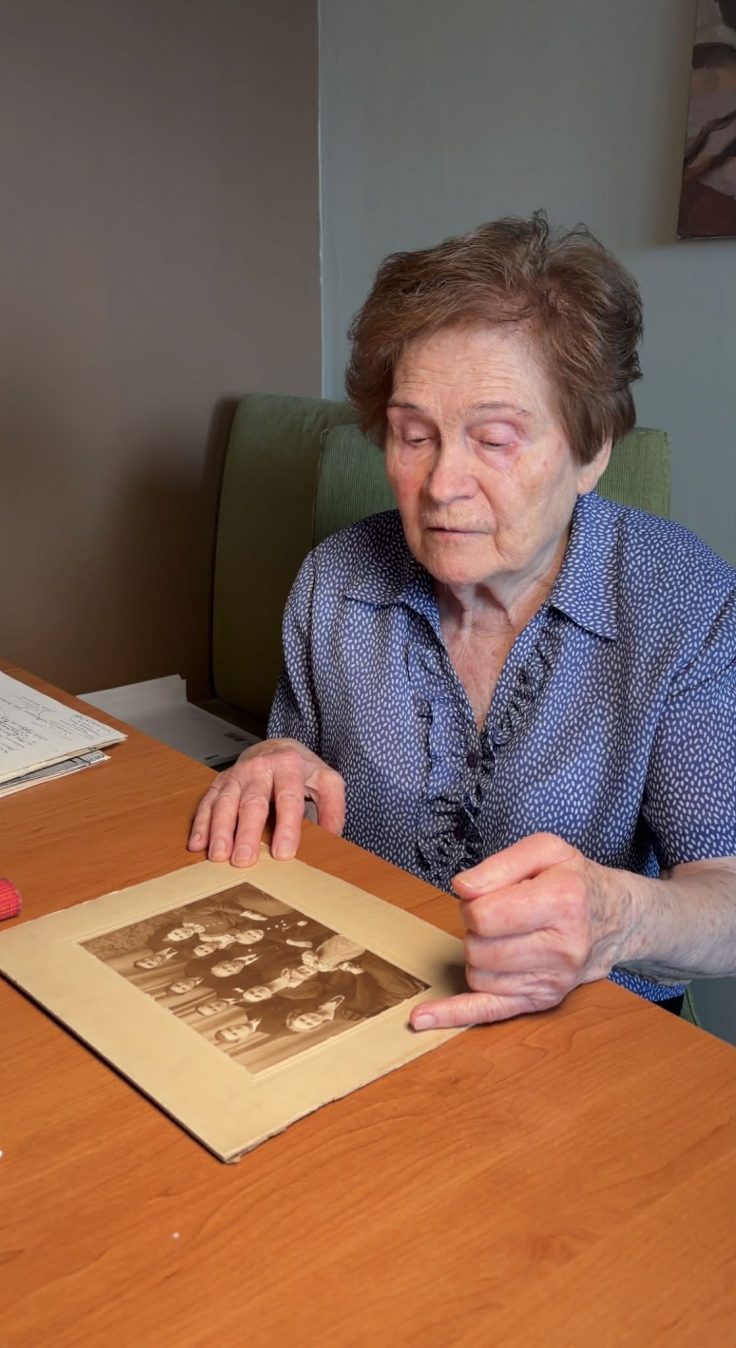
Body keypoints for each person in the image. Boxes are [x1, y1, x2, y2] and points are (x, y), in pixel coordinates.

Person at [189, 211, 736, 1030]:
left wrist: (620, 917)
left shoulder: (686, 603)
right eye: (414, 436)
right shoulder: (335, 582)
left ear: (592, 450)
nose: (442, 483)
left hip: (588, 1036)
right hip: (358, 1005)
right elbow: (297, 783)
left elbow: (727, 895)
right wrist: (271, 765)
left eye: (496, 439)